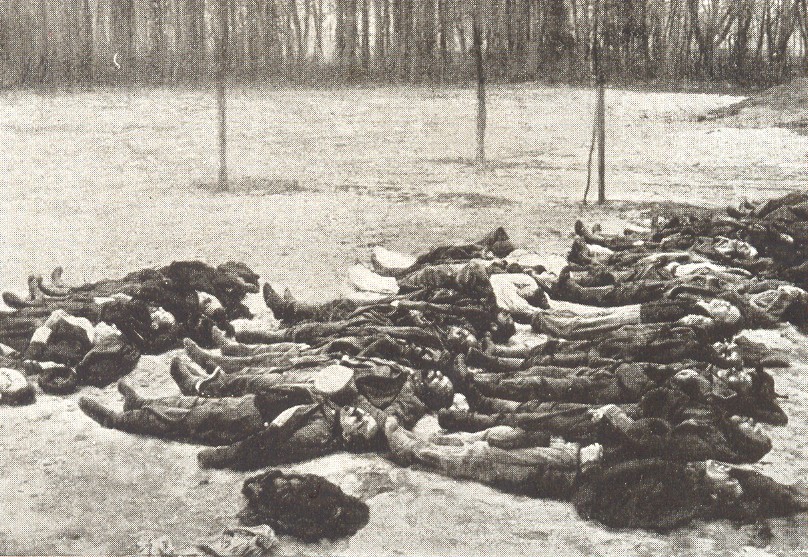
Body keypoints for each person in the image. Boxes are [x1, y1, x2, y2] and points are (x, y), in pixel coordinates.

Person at [384, 415, 603, 498]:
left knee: (486, 454)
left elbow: (596, 504)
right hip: (569, 450)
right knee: (498, 434)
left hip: (567, 472)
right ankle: (429, 441)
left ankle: (411, 452)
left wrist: (588, 465)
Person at [574, 458, 808, 530]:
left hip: (580, 479)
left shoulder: (682, 503)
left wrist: (589, 467)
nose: (724, 467)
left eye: (729, 477)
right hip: (595, 463)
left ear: (717, 496)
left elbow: (611, 512)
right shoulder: (683, 473)